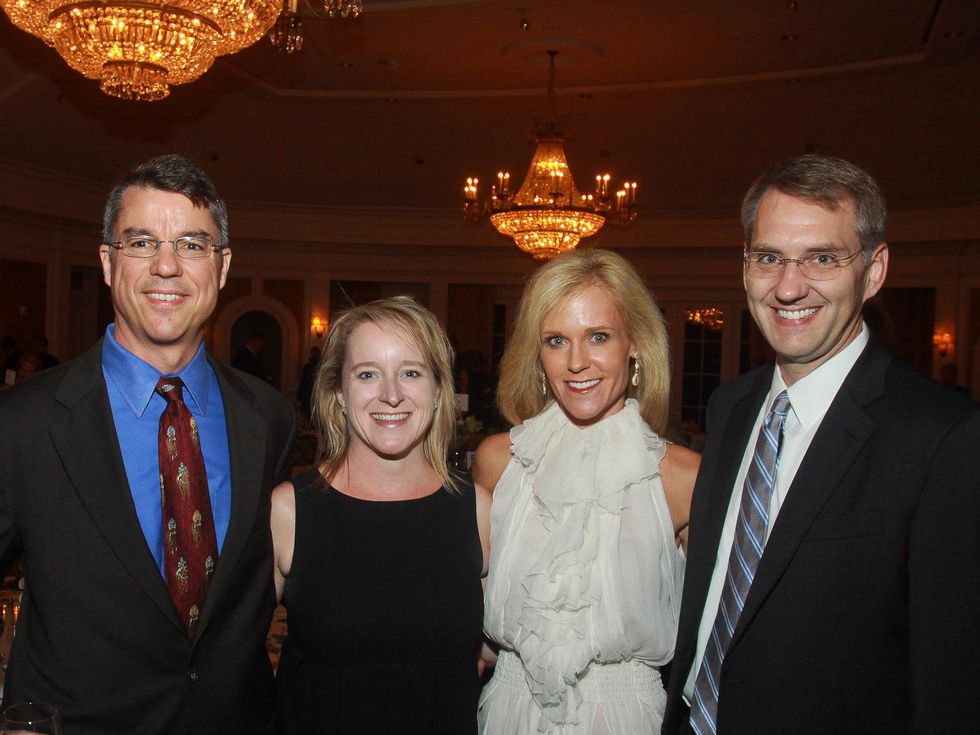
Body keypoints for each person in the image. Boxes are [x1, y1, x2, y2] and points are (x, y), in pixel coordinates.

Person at [662, 154, 980, 735]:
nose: (788, 287)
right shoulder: (731, 407)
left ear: (875, 270)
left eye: (823, 259)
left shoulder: (942, 438)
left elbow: (950, 678)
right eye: (769, 258)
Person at [0, 154, 295, 735]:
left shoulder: (269, 417)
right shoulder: (23, 423)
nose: (167, 266)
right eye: (141, 243)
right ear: (109, 263)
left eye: (191, 244)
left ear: (222, 266)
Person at [475, 248, 700, 734]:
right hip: (509, 710)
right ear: (537, 353)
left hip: (626, 715)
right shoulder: (499, 461)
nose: (577, 362)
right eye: (556, 340)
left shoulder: (683, 478)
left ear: (634, 342)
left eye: (599, 337)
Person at [271, 296, 491, 735]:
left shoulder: (478, 508)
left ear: (438, 390)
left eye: (411, 372)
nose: (391, 395)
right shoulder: (290, 509)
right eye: (367, 374)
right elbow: (230, 659)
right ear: (339, 393)